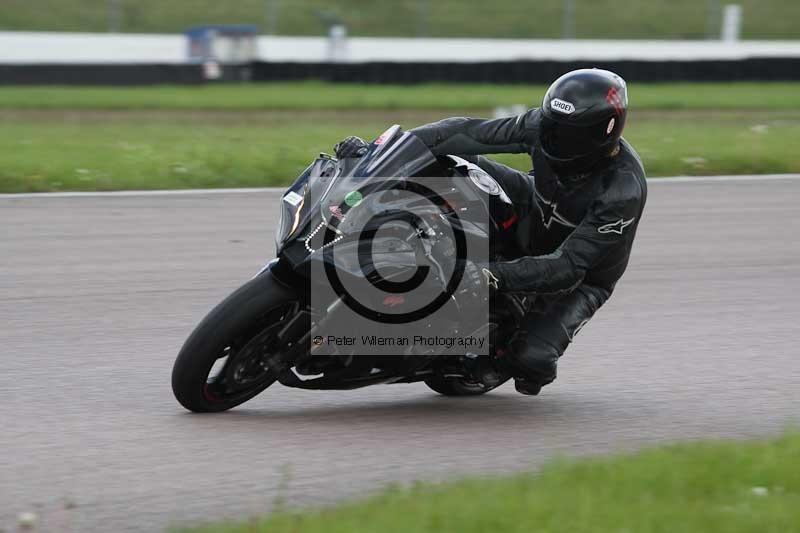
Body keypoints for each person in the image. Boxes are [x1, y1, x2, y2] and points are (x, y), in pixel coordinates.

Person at [333, 69, 647, 395]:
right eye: (551, 126)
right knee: (450, 160)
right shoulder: (541, 126)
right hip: (534, 206)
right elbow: (464, 131)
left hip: (580, 278)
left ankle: (489, 357)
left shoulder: (621, 191)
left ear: (604, 133)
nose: (552, 138)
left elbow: (566, 267)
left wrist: (489, 275)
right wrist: (380, 152)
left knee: (532, 361)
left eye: (567, 134)